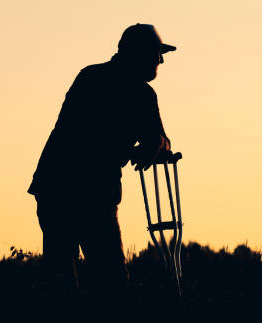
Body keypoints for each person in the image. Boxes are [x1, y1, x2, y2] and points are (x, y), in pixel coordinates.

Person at [27, 24, 175, 300]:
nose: (161, 61)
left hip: (54, 185)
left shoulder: (91, 76)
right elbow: (158, 140)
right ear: (140, 55)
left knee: (62, 276)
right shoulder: (138, 93)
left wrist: (152, 145)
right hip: (86, 191)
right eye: (157, 54)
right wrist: (153, 146)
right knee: (110, 281)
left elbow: (155, 140)